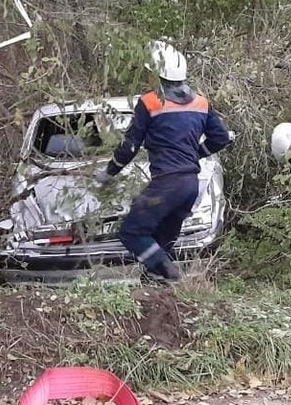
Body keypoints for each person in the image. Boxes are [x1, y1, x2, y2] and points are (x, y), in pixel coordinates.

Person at [94, 41, 232, 281]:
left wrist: (108, 173)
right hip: (190, 185)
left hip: (166, 184)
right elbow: (220, 138)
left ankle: (172, 274)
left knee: (132, 233)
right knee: (161, 242)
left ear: (155, 75)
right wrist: (195, 154)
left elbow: (130, 145)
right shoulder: (201, 103)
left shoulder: (149, 102)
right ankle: (157, 286)